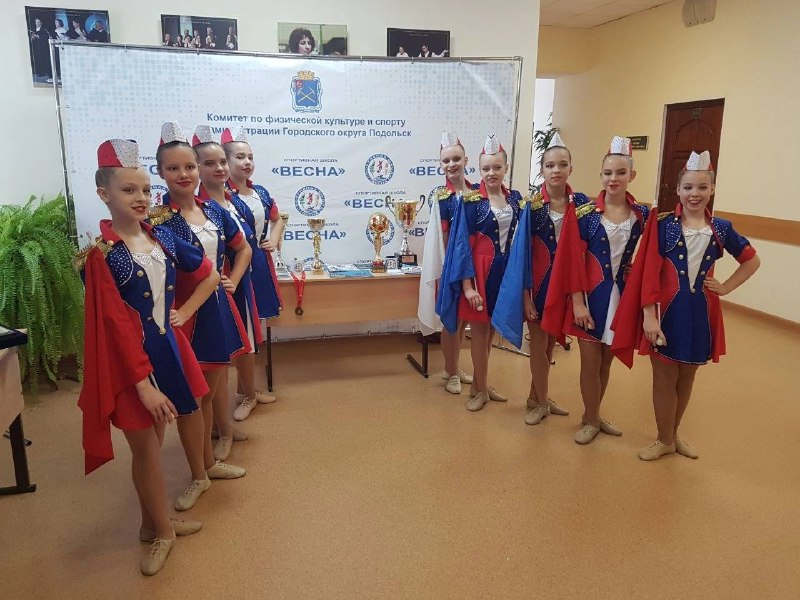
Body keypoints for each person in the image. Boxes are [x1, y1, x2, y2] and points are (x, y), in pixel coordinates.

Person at [78, 139, 219, 575]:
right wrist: (142, 384)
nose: (140, 198)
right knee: (147, 451)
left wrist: (187, 311)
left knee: (153, 446)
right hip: (131, 366)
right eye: (128, 190)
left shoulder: (162, 235)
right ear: (104, 194)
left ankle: (149, 523)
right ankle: (163, 532)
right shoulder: (102, 256)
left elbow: (208, 273)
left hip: (168, 350)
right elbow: (114, 327)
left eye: (143, 189)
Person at [611, 151, 760, 461]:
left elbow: (751, 261)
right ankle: (663, 438)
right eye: (689, 187)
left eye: (702, 187)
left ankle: (673, 434)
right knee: (664, 379)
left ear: (712, 189)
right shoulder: (663, 224)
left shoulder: (721, 228)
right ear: (678, 190)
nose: (695, 194)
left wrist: (726, 287)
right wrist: (649, 317)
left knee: (687, 377)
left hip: (701, 315)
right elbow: (648, 273)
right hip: (666, 313)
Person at [150, 122, 249, 510]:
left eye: (189, 166)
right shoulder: (159, 219)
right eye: (173, 168)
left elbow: (242, 248)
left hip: (217, 310)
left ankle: (207, 464)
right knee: (192, 399)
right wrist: (185, 309)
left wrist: (232, 280)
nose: (184, 174)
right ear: (161, 172)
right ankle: (197, 475)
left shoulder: (214, 210)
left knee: (209, 395)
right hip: (184, 315)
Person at [549, 137, 648, 444]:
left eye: (620, 172)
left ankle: (592, 413)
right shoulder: (585, 215)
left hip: (621, 299)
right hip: (590, 298)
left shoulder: (642, 215)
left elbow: (652, 256)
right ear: (601, 175)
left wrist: (635, 272)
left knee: (606, 361)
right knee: (590, 363)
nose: (613, 178)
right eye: (607, 173)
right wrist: (578, 302)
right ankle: (591, 419)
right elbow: (571, 261)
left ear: (632, 175)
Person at [493, 133, 582, 426]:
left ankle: (536, 396)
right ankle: (541, 402)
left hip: (565, 287)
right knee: (539, 345)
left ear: (571, 168)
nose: (556, 170)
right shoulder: (531, 206)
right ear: (541, 170)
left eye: (562, 164)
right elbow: (522, 256)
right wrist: (526, 296)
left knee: (549, 346)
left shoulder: (581, 205)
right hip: (539, 287)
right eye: (550, 165)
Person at [193, 126, 262, 459]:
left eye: (222, 161)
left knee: (221, 366)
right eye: (209, 163)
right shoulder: (168, 214)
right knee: (205, 373)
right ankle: (208, 440)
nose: (219, 168)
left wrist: (232, 279)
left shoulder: (224, 206)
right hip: (192, 301)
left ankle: (223, 428)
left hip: (226, 292)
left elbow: (244, 245)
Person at [438, 135, 520, 412]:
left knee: (491, 330)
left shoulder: (516, 200)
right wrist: (468, 285)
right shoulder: (471, 202)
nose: (491, 172)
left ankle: (479, 383)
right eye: (486, 168)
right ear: (479, 169)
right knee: (475, 330)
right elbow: (460, 245)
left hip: (503, 272)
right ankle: (472, 384)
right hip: (476, 273)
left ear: (506, 168)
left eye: (497, 167)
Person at [222, 126, 284, 420]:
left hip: (258, 263)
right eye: (239, 157)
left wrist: (274, 238)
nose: (246, 162)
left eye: (249, 157)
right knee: (242, 328)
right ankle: (246, 393)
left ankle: (246, 388)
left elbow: (277, 218)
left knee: (254, 327)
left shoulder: (260, 192)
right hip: (234, 266)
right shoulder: (221, 196)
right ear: (225, 161)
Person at [433, 131, 474, 394]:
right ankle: (449, 370)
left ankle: (455, 367)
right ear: (440, 164)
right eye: (446, 161)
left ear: (465, 160)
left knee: (464, 320)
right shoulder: (442, 198)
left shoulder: (477, 193)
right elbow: (443, 238)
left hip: (474, 266)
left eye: (456, 159)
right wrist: (453, 267)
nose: (451, 165)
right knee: (451, 320)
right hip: (451, 266)